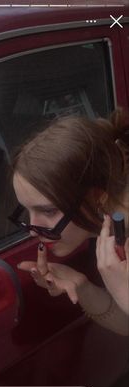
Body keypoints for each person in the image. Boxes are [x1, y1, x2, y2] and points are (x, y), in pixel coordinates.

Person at [11, 108, 129, 335]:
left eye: (47, 210)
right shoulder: (108, 225)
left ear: (97, 196)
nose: (33, 230)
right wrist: (82, 287)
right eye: (26, 210)